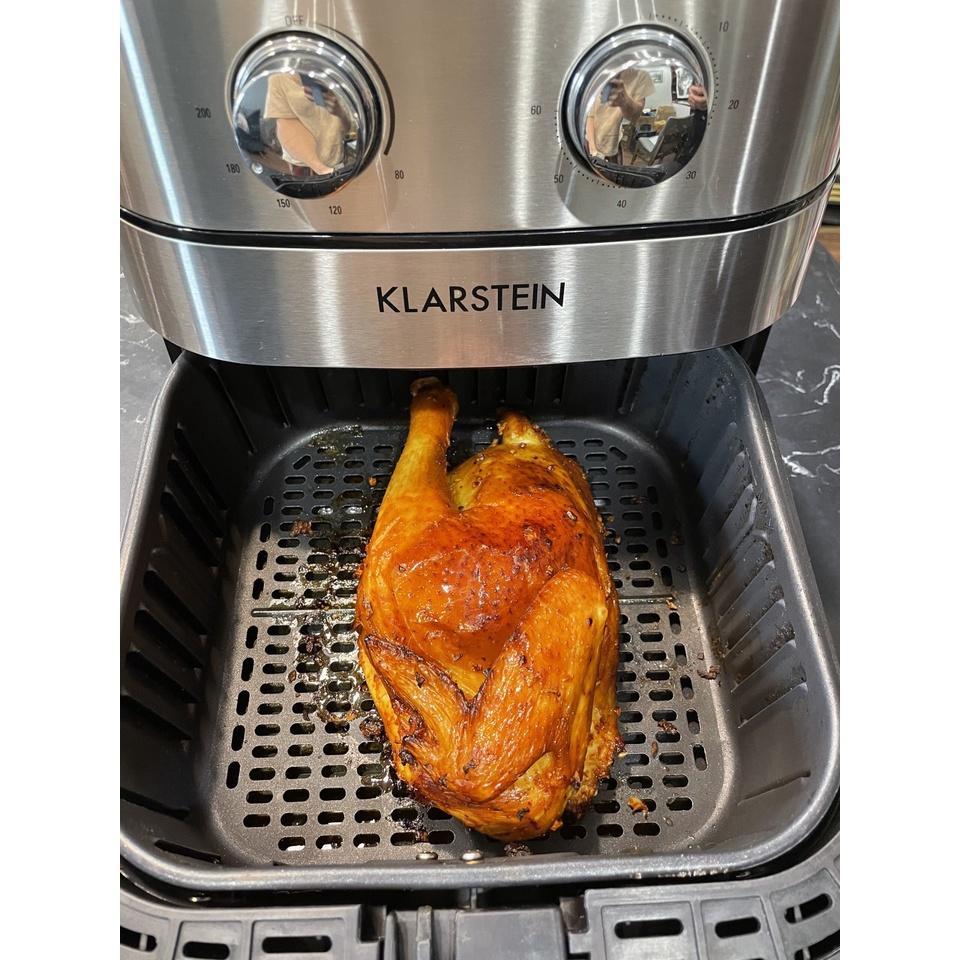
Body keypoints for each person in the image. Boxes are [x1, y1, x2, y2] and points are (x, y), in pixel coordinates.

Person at [263, 73, 349, 176]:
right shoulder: (280, 78)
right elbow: (286, 125)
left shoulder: (338, 76)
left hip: (338, 160)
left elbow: (347, 129)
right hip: (306, 167)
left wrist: (340, 113)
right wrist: (321, 169)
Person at [585, 68, 656, 162]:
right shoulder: (596, 73)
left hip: (614, 142)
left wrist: (624, 101)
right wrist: (593, 150)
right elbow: (590, 116)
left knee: (614, 167)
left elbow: (634, 117)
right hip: (591, 142)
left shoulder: (639, 75)